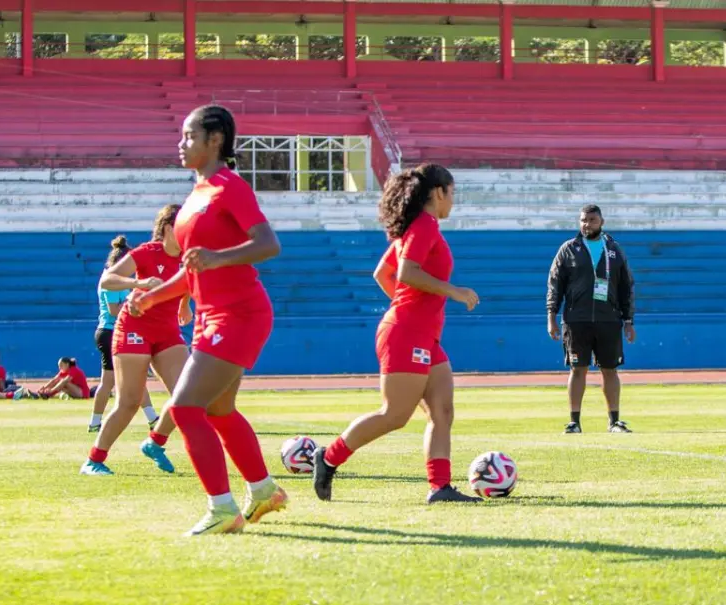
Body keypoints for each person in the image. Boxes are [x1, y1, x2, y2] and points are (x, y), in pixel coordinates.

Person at [126, 104, 286, 536]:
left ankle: (222, 509)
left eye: (189, 136)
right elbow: (192, 269)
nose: (181, 144)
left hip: (239, 314)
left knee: (183, 407)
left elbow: (268, 244)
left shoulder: (228, 187)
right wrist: (152, 295)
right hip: (210, 315)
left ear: (215, 140)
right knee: (219, 411)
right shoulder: (196, 195)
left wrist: (218, 258)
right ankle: (264, 489)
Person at [312, 163, 482, 504]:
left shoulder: (417, 228)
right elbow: (405, 272)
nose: (453, 201)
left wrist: (413, 308)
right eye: (452, 193)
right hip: (407, 334)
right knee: (395, 415)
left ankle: (440, 488)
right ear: (438, 192)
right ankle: (328, 457)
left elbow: (382, 273)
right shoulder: (424, 225)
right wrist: (453, 292)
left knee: (442, 411)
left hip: (420, 334)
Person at [82, 205, 192, 477]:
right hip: (134, 328)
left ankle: (155, 442)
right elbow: (108, 279)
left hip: (166, 330)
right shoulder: (146, 252)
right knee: (129, 402)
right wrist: (139, 285)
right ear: (168, 228)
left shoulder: (188, 256)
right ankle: (93, 460)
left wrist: (184, 304)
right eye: (184, 226)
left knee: (189, 394)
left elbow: (188, 280)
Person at [546, 205, 636, 434]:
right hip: (577, 319)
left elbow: (626, 286)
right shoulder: (568, 249)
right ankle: (574, 421)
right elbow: (554, 285)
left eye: (592, 220)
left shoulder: (614, 249)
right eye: (583, 220)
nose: (587, 224)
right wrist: (551, 316)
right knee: (578, 369)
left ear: (602, 221)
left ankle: (614, 421)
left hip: (609, 319)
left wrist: (629, 320)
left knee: (610, 369)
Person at [90, 235, 159, 432]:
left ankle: (152, 417)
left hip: (113, 331)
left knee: (132, 377)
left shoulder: (116, 279)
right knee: (111, 381)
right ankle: (95, 421)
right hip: (111, 331)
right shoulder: (111, 280)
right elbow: (113, 310)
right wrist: (133, 298)